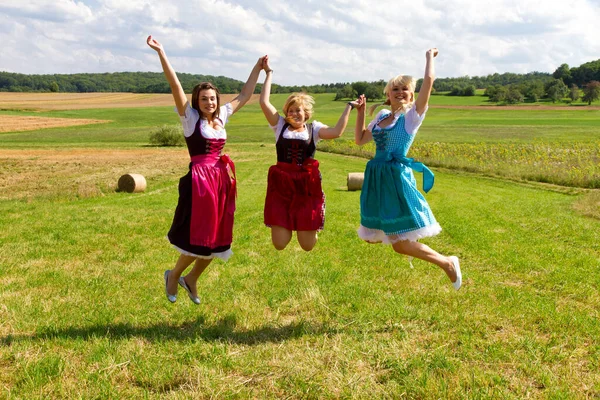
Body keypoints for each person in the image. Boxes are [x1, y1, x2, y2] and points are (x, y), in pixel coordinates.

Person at [147, 35, 265, 303]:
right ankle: (174, 275)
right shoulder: (190, 119)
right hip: (199, 182)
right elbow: (175, 85)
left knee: (219, 240)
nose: (209, 103)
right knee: (198, 238)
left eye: (212, 98)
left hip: (221, 181)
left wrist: (257, 68)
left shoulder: (222, 115)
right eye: (204, 99)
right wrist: (161, 52)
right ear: (196, 101)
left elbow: (245, 95)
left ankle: (192, 279)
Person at [353, 48, 462, 290]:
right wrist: (361, 112)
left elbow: (429, 82)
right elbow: (360, 139)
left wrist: (429, 59)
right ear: (388, 95)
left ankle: (447, 263)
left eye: (405, 89)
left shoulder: (411, 117)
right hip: (376, 176)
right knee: (379, 237)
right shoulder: (381, 116)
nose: (400, 92)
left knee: (399, 242)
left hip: (395, 178)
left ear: (412, 95)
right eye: (395, 89)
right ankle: (446, 263)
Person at [259, 56, 360, 251]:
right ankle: (292, 219)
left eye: (299, 110)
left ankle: (314, 215)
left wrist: (349, 106)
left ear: (306, 113)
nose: (295, 114)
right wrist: (269, 73)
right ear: (286, 113)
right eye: (290, 110)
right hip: (281, 184)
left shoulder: (314, 129)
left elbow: (337, 131)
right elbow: (264, 102)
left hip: (307, 185)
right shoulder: (279, 126)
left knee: (307, 246)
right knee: (279, 244)